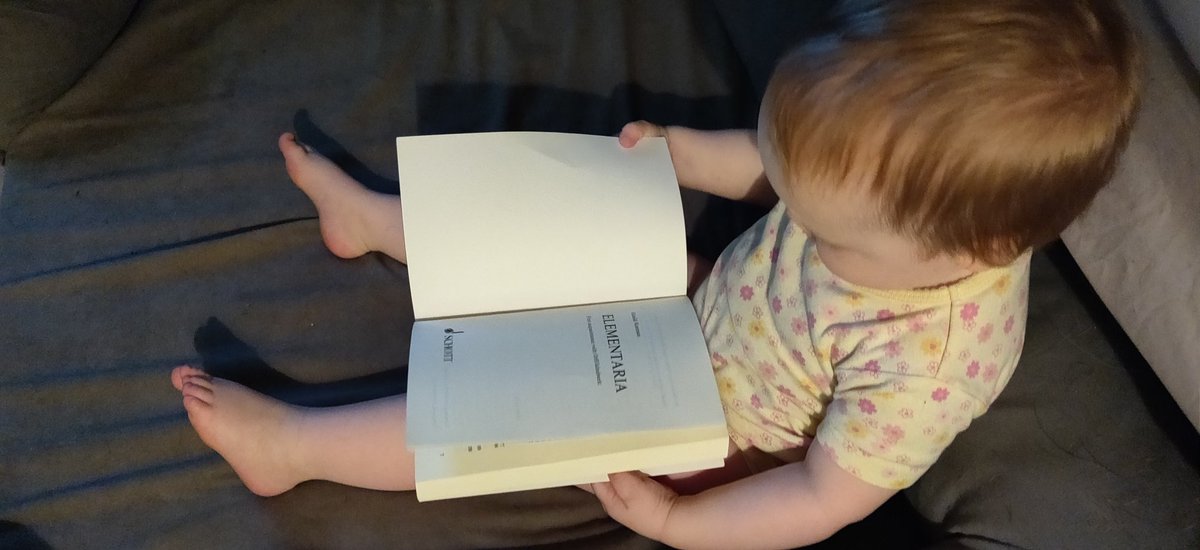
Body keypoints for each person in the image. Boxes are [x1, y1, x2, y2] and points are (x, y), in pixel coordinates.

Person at [169, 0, 1139, 547]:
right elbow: (761, 169)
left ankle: (296, 446)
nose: (794, 210)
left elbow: (821, 498)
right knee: (567, 227)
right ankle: (378, 221)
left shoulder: (931, 364)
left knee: (520, 403)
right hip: (712, 291)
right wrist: (681, 153)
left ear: (972, 252)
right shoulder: (883, 199)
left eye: (823, 224)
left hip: (711, 419)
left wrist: (681, 519)